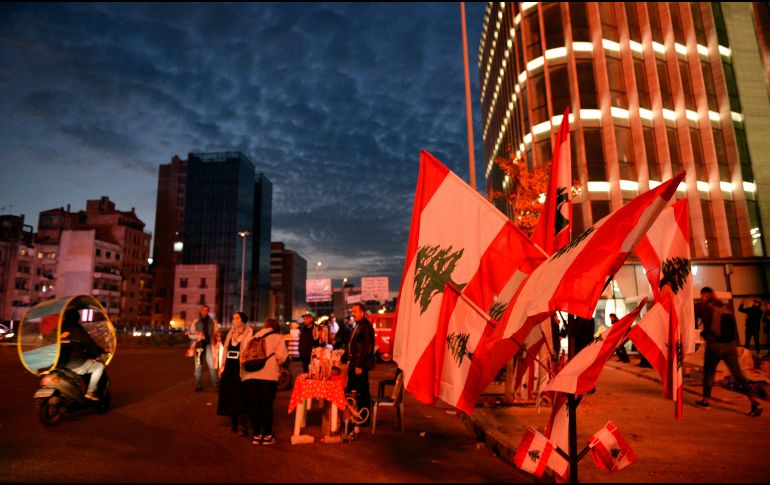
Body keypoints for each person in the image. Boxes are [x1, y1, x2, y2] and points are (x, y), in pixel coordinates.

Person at [694, 288, 763, 417]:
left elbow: (693, 312)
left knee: (709, 372)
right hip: (730, 346)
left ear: (705, 295)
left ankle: (706, 401)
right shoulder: (725, 307)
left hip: (715, 346)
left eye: (702, 295)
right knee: (738, 373)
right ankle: (754, 402)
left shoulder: (706, 307)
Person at [241, 318, 288, 445]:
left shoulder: (254, 336)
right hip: (268, 376)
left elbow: (244, 355)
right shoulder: (277, 337)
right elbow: (281, 358)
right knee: (266, 405)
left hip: (249, 375)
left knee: (254, 405)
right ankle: (267, 435)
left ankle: (257, 435)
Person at [60, 308, 107, 401]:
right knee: (99, 366)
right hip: (76, 364)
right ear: (77, 318)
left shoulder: (59, 329)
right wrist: (101, 350)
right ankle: (90, 392)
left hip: (60, 365)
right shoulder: (79, 331)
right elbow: (91, 346)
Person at [217, 311, 252, 434]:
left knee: (241, 395)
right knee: (230, 395)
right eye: (233, 318)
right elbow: (225, 351)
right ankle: (234, 423)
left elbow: (249, 349)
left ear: (242, 319)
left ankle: (243, 424)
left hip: (240, 368)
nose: (234, 320)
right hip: (229, 368)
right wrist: (222, 368)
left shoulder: (249, 332)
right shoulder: (230, 333)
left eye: (236, 318)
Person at [345, 303, 375, 423]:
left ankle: (364, 419)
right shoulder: (358, 325)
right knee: (355, 391)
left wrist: (359, 365)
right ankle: (356, 416)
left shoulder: (365, 327)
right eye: (352, 311)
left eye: (355, 311)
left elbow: (365, 348)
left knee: (362, 392)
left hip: (359, 365)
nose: (353, 314)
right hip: (354, 363)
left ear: (362, 312)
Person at [189, 304, 220, 392]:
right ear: (201, 311)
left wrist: (216, 334)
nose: (205, 311)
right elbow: (191, 333)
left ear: (208, 311)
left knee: (212, 365)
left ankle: (216, 384)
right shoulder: (196, 321)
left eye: (207, 310)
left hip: (209, 345)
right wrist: (198, 335)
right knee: (198, 365)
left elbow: (216, 332)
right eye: (203, 310)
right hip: (199, 345)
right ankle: (198, 385)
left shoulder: (212, 321)